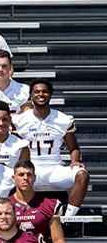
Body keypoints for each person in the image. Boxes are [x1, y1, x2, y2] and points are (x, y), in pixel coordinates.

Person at [12, 79, 89, 217]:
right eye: (36, 92)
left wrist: (75, 161)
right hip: (30, 169)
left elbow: (74, 147)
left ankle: (68, 218)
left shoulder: (63, 119)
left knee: (82, 175)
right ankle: (15, 215)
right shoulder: (19, 121)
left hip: (55, 168)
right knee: (6, 177)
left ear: (50, 94)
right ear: (31, 96)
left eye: (44, 91)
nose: (40, 94)